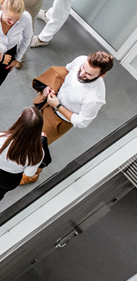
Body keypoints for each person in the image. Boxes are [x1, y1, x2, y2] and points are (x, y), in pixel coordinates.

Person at [24, 51, 112, 184]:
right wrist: (49, 88)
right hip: (46, 102)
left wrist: (58, 106)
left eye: (88, 74)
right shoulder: (81, 59)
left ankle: (34, 173)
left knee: (36, 144)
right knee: (25, 130)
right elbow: (66, 70)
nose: (82, 74)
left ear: (102, 75)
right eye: (83, 68)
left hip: (58, 120)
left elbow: (82, 122)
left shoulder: (95, 97)